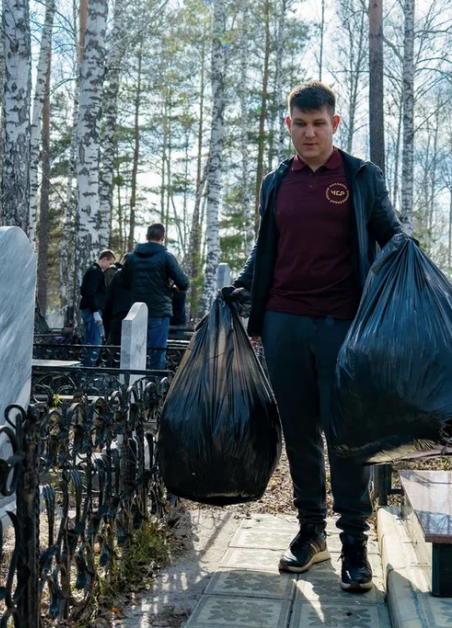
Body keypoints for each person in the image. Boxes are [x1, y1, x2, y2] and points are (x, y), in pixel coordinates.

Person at [222, 81, 401, 593]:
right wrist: (242, 287)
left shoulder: (362, 177)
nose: (309, 133)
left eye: (318, 124)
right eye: (299, 124)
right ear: (288, 126)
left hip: (345, 325)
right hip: (284, 322)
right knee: (299, 432)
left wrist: (415, 262)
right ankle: (310, 534)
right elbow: (267, 249)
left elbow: (390, 235)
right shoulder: (276, 182)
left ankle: (354, 544)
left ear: (335, 125)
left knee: (345, 436)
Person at [121, 224, 190, 370]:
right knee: (157, 352)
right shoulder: (166, 257)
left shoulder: (132, 257)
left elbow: (124, 283)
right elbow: (183, 282)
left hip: (137, 311)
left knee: (135, 353)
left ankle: (134, 387)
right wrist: (171, 287)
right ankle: (154, 387)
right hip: (159, 311)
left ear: (146, 236)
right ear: (163, 237)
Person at [80, 249, 116, 366]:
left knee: (89, 342)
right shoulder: (97, 272)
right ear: (104, 259)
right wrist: (95, 311)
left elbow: (84, 290)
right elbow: (91, 292)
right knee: (95, 342)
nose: (110, 266)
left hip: (88, 310)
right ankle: (88, 370)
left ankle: (85, 369)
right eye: (110, 263)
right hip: (92, 311)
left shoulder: (91, 271)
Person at [103, 253, 135, 344]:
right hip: (135, 314)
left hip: (118, 314)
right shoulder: (139, 276)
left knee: (116, 347)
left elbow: (109, 299)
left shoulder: (118, 275)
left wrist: (107, 320)